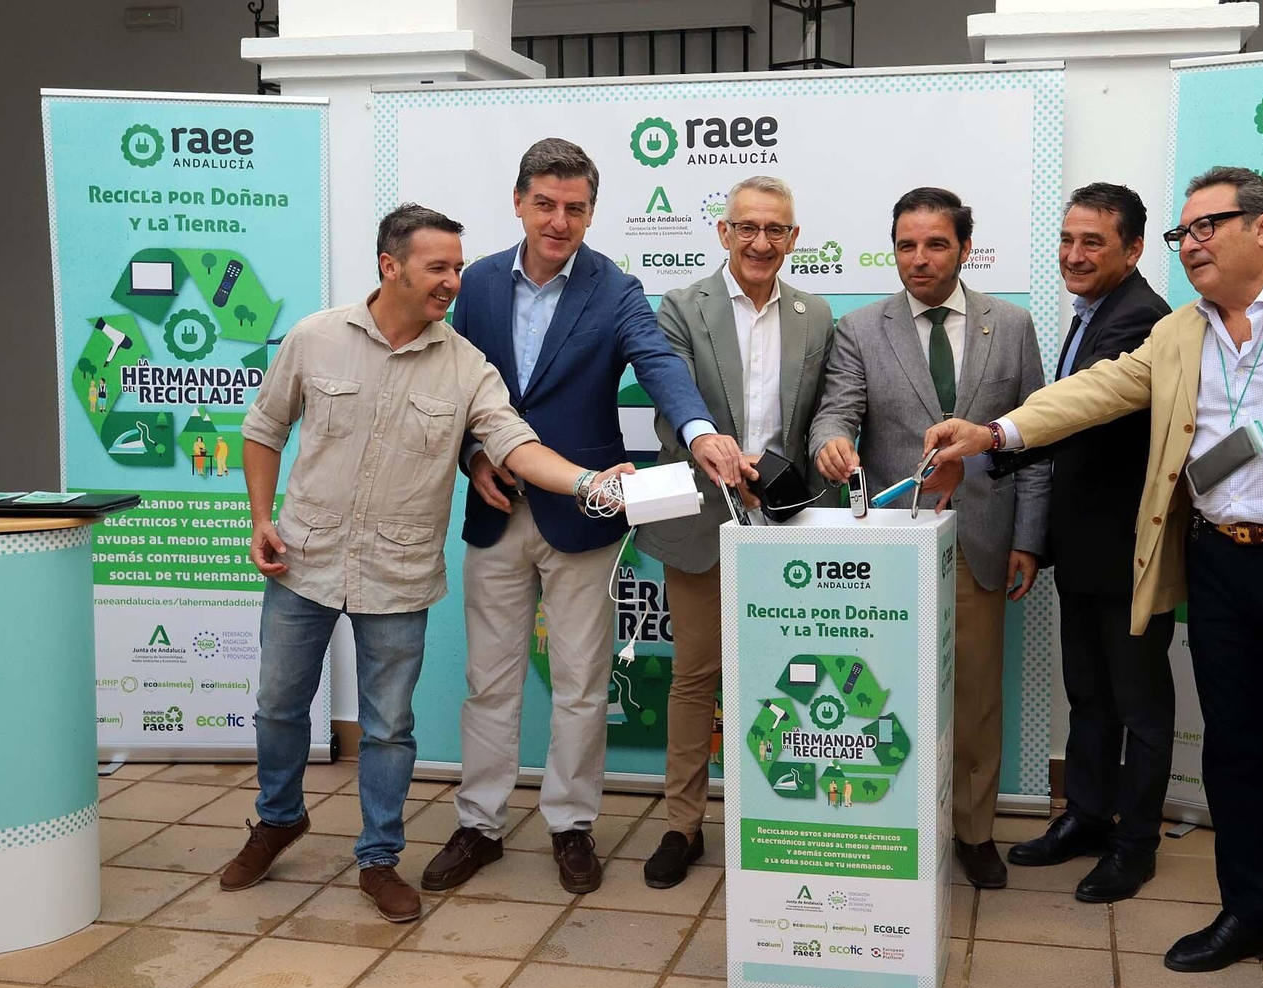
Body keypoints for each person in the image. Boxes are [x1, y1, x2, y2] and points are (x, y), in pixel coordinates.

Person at [923, 166, 1263, 988]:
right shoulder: (1179, 332)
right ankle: (1249, 915)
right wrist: (994, 432)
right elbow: (1097, 391)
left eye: (1207, 226)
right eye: (1183, 233)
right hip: (1220, 565)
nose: (1191, 244)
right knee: (1234, 751)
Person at [225, 203, 630, 923]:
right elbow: (263, 428)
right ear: (391, 266)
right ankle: (279, 817)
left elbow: (515, 444)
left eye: (457, 267)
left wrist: (587, 483)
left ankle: (379, 858)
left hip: (398, 574)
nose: (453, 281)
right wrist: (261, 516)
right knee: (278, 707)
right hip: (303, 559)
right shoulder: (315, 337)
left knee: (388, 727)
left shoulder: (467, 366)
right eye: (437, 267)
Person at [422, 138, 744, 897]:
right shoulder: (477, 285)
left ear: (593, 212)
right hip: (497, 510)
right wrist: (473, 455)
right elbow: (449, 383)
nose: (559, 222)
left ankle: (571, 825)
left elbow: (660, 365)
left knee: (581, 685)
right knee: (489, 681)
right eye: (545, 204)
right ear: (518, 202)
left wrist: (699, 431)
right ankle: (479, 824)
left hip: (585, 513)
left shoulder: (616, 289)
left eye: (575, 208)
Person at [809, 186, 1051, 890]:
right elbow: (835, 412)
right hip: (891, 546)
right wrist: (830, 444)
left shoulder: (1011, 326)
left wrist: (1028, 537)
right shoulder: (860, 328)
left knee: (974, 698)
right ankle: (888, 824)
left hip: (979, 538)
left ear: (965, 248)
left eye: (936, 244)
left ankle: (973, 832)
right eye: (906, 245)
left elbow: (1034, 440)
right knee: (880, 694)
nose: (919, 258)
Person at [640, 175, 835, 888]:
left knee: (794, 675)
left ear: (794, 238)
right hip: (702, 515)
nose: (760, 242)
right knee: (695, 675)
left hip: (788, 522)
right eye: (747, 227)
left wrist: (821, 447)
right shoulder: (680, 307)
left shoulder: (816, 314)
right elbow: (672, 404)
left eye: (775, 229)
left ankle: (788, 814)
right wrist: (720, 457)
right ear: (723, 232)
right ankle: (682, 825)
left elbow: (823, 410)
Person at [996, 184, 1177, 904]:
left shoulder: (1139, 319)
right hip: (1084, 548)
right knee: (1091, 697)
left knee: (1140, 706)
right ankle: (1088, 818)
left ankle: (1136, 845)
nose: (1073, 255)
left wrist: (990, 445)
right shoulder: (1094, 311)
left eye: (1093, 242)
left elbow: (1080, 414)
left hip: (1130, 551)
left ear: (1133, 250)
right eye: (1067, 239)